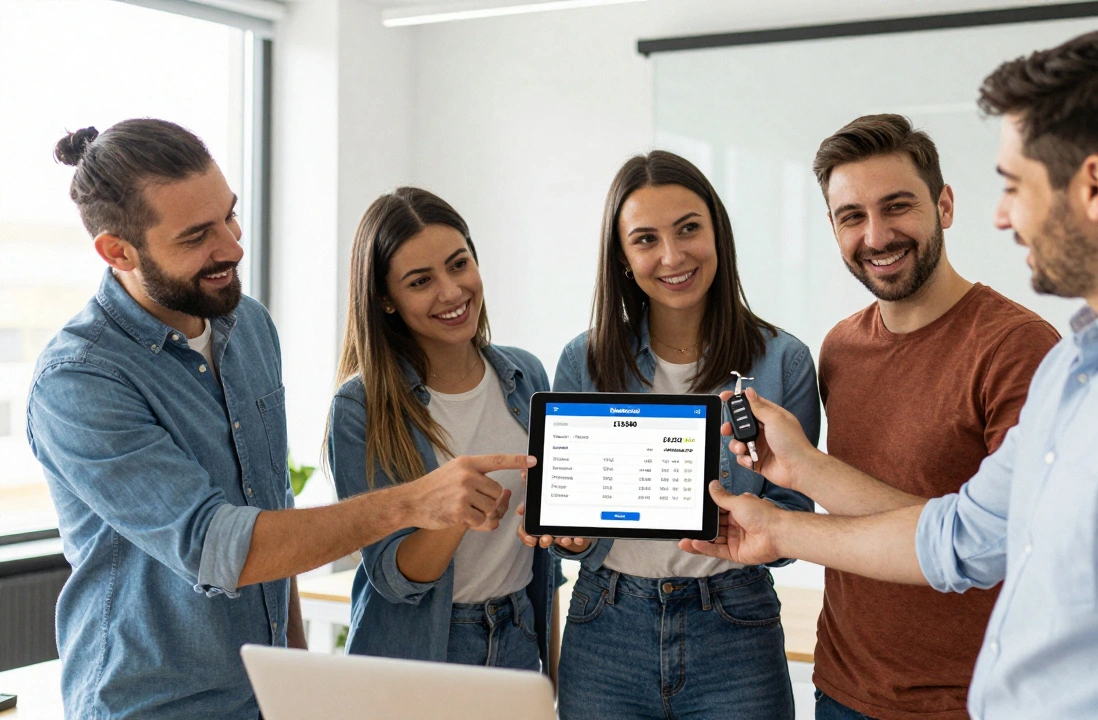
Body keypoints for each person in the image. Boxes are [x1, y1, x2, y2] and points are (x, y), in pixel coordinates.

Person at [682, 27, 1098, 720]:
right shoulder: (1083, 368)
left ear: (1092, 186)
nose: (1001, 216)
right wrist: (778, 527)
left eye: (1014, 186)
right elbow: (962, 535)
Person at [26, 120, 532, 719]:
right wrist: (412, 503)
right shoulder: (80, 381)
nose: (233, 247)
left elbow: (272, 516)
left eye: (230, 217)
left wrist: (295, 681)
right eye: (197, 237)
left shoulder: (249, 329)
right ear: (118, 251)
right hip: (153, 704)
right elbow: (221, 547)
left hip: (266, 695)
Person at [530, 150, 821, 720]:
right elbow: (576, 529)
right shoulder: (583, 361)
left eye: (688, 228)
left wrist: (754, 524)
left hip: (734, 626)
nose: (671, 256)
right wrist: (571, 537)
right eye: (645, 239)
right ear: (621, 256)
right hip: (605, 625)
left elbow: (794, 514)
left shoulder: (784, 361)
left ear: (718, 231)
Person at [805, 114, 1059, 720]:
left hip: (974, 700)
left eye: (897, 207)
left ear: (944, 205)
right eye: (852, 217)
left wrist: (796, 487)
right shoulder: (839, 348)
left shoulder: (1019, 348)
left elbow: (1000, 539)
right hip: (841, 689)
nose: (876, 236)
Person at [325, 187, 558, 672]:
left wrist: (554, 672)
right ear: (386, 300)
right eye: (420, 281)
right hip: (417, 650)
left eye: (458, 264)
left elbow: (542, 562)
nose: (451, 292)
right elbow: (395, 578)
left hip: (518, 634)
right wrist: (453, 511)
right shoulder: (360, 407)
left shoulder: (526, 377)